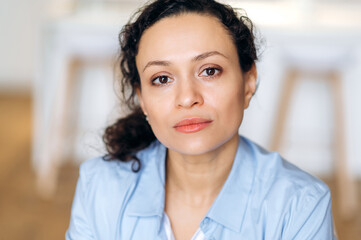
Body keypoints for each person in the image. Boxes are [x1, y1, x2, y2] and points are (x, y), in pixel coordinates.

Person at [66, 0, 336, 239]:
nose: (187, 98)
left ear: (248, 82)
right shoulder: (99, 187)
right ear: (143, 100)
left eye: (209, 70)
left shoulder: (301, 206)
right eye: (162, 79)